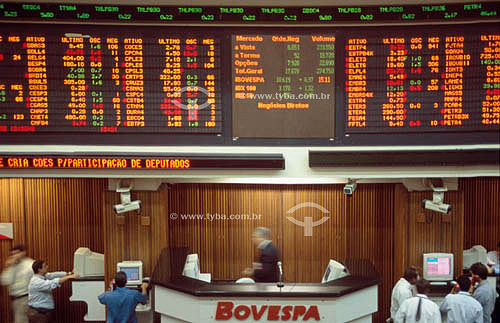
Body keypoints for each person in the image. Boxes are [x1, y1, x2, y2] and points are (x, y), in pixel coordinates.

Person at [1, 245, 34, 323]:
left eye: (17, 253)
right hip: (15, 300)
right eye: (13, 254)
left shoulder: (31, 264)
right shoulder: (12, 266)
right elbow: (4, 281)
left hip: (26, 298)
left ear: (23, 253)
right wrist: (9, 267)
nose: (15, 256)